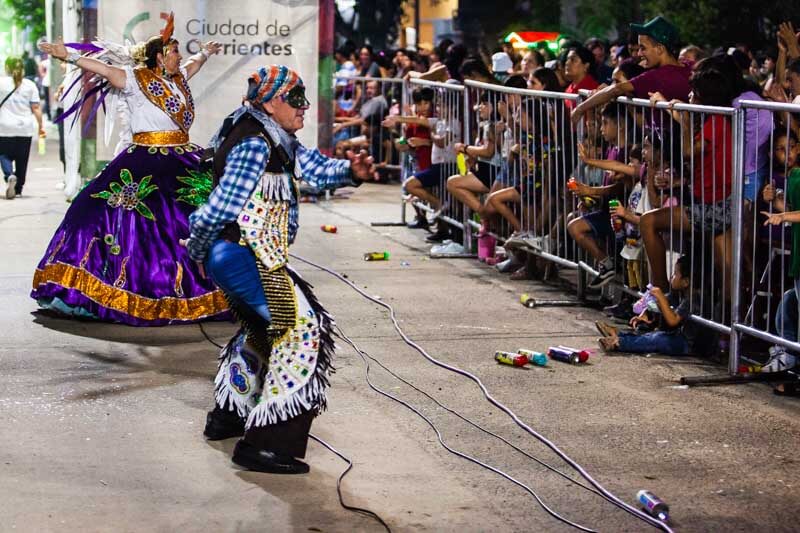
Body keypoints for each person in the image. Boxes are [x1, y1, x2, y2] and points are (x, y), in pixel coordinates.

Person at [187, 65, 376, 474]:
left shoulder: (273, 136)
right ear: (271, 102)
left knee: (263, 330)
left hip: (252, 256)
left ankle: (231, 415)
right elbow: (217, 208)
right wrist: (200, 252)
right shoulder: (255, 143)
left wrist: (350, 173)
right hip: (243, 256)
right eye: (296, 99)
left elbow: (312, 167)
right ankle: (267, 445)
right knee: (299, 330)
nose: (304, 106)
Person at [31, 16, 228, 325]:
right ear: (160, 57)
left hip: (183, 159)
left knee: (208, 212)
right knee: (108, 216)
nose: (179, 56)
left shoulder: (178, 81)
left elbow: (193, 65)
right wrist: (66, 54)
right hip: (144, 161)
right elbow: (104, 70)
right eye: (174, 51)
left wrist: (205, 53)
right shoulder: (136, 79)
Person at [571, 16, 691, 126]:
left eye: (643, 48)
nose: (639, 53)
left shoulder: (655, 76)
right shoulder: (691, 67)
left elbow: (616, 89)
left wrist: (580, 109)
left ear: (660, 49)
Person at [597, 252, 711, 356]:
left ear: (686, 282)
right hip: (679, 337)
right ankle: (619, 335)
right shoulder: (679, 294)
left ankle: (619, 342)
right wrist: (645, 313)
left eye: (675, 274)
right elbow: (660, 303)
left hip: (688, 346)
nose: (672, 277)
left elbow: (673, 320)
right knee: (652, 335)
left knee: (657, 339)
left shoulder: (693, 298)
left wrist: (660, 297)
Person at [0, 56, 45, 199]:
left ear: (7, 68)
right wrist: (41, 126)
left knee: (3, 155)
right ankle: (18, 188)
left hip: (4, 127)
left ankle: (9, 176)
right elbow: (36, 107)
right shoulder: (30, 85)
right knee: (22, 159)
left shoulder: (1, 83)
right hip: (24, 128)